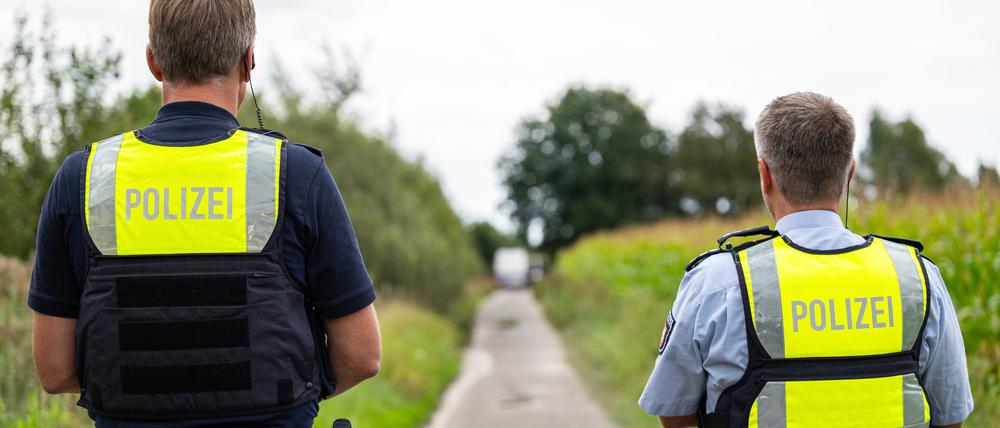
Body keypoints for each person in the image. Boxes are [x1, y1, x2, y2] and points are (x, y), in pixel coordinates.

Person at [29, 0, 381, 426]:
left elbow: (54, 370)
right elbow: (361, 357)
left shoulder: (82, 178)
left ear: (153, 61)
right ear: (248, 61)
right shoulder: (297, 174)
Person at [638, 92, 973, 428]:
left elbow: (675, 413)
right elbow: (951, 415)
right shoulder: (917, 278)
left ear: (764, 174)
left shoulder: (718, 282)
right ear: (850, 174)